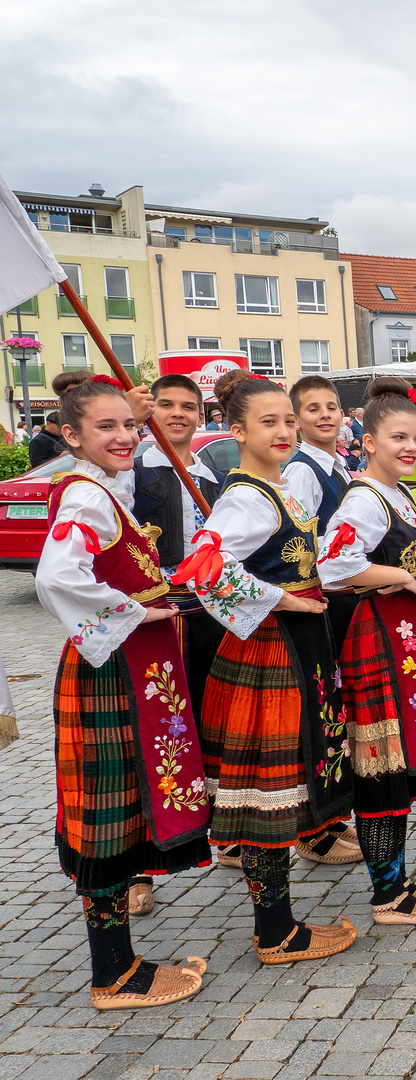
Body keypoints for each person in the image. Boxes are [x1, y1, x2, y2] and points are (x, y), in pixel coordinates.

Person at [39, 372, 211, 1009]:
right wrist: (136, 612)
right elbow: (59, 578)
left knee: (125, 807)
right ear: (72, 434)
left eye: (127, 425)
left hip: (129, 670)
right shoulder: (84, 495)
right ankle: (112, 973)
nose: (122, 437)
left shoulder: (105, 489)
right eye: (105, 427)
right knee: (106, 817)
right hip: (110, 671)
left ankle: (121, 959)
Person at [177, 369, 357, 965]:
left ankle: (277, 923)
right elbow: (204, 566)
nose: (283, 430)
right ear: (236, 430)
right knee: (267, 790)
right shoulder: (248, 495)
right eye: (268, 422)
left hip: (295, 644)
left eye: (288, 420)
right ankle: (275, 930)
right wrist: (281, 599)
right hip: (268, 651)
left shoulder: (276, 487)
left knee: (281, 786)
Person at [316, 377, 416, 926]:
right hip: (383, 641)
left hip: (411, 647)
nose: (411, 447)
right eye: (399, 437)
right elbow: (335, 565)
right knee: (380, 770)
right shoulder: (364, 497)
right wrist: (402, 575)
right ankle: (387, 895)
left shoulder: (394, 492)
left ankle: (397, 882)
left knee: (398, 767)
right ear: (369, 441)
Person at [123, 374, 230, 905]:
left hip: (210, 612)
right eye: (165, 404)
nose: (178, 414)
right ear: (149, 411)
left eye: (188, 406)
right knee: (156, 730)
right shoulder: (136, 473)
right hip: (157, 617)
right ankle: (139, 865)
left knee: (213, 722)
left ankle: (226, 831)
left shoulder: (210, 476)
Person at [284, 375, 360, 648]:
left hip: (348, 588)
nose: (325, 415)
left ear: (342, 415)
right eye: (313, 409)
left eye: (330, 408)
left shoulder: (337, 465)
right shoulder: (303, 471)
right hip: (328, 593)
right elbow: (299, 540)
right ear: (296, 420)